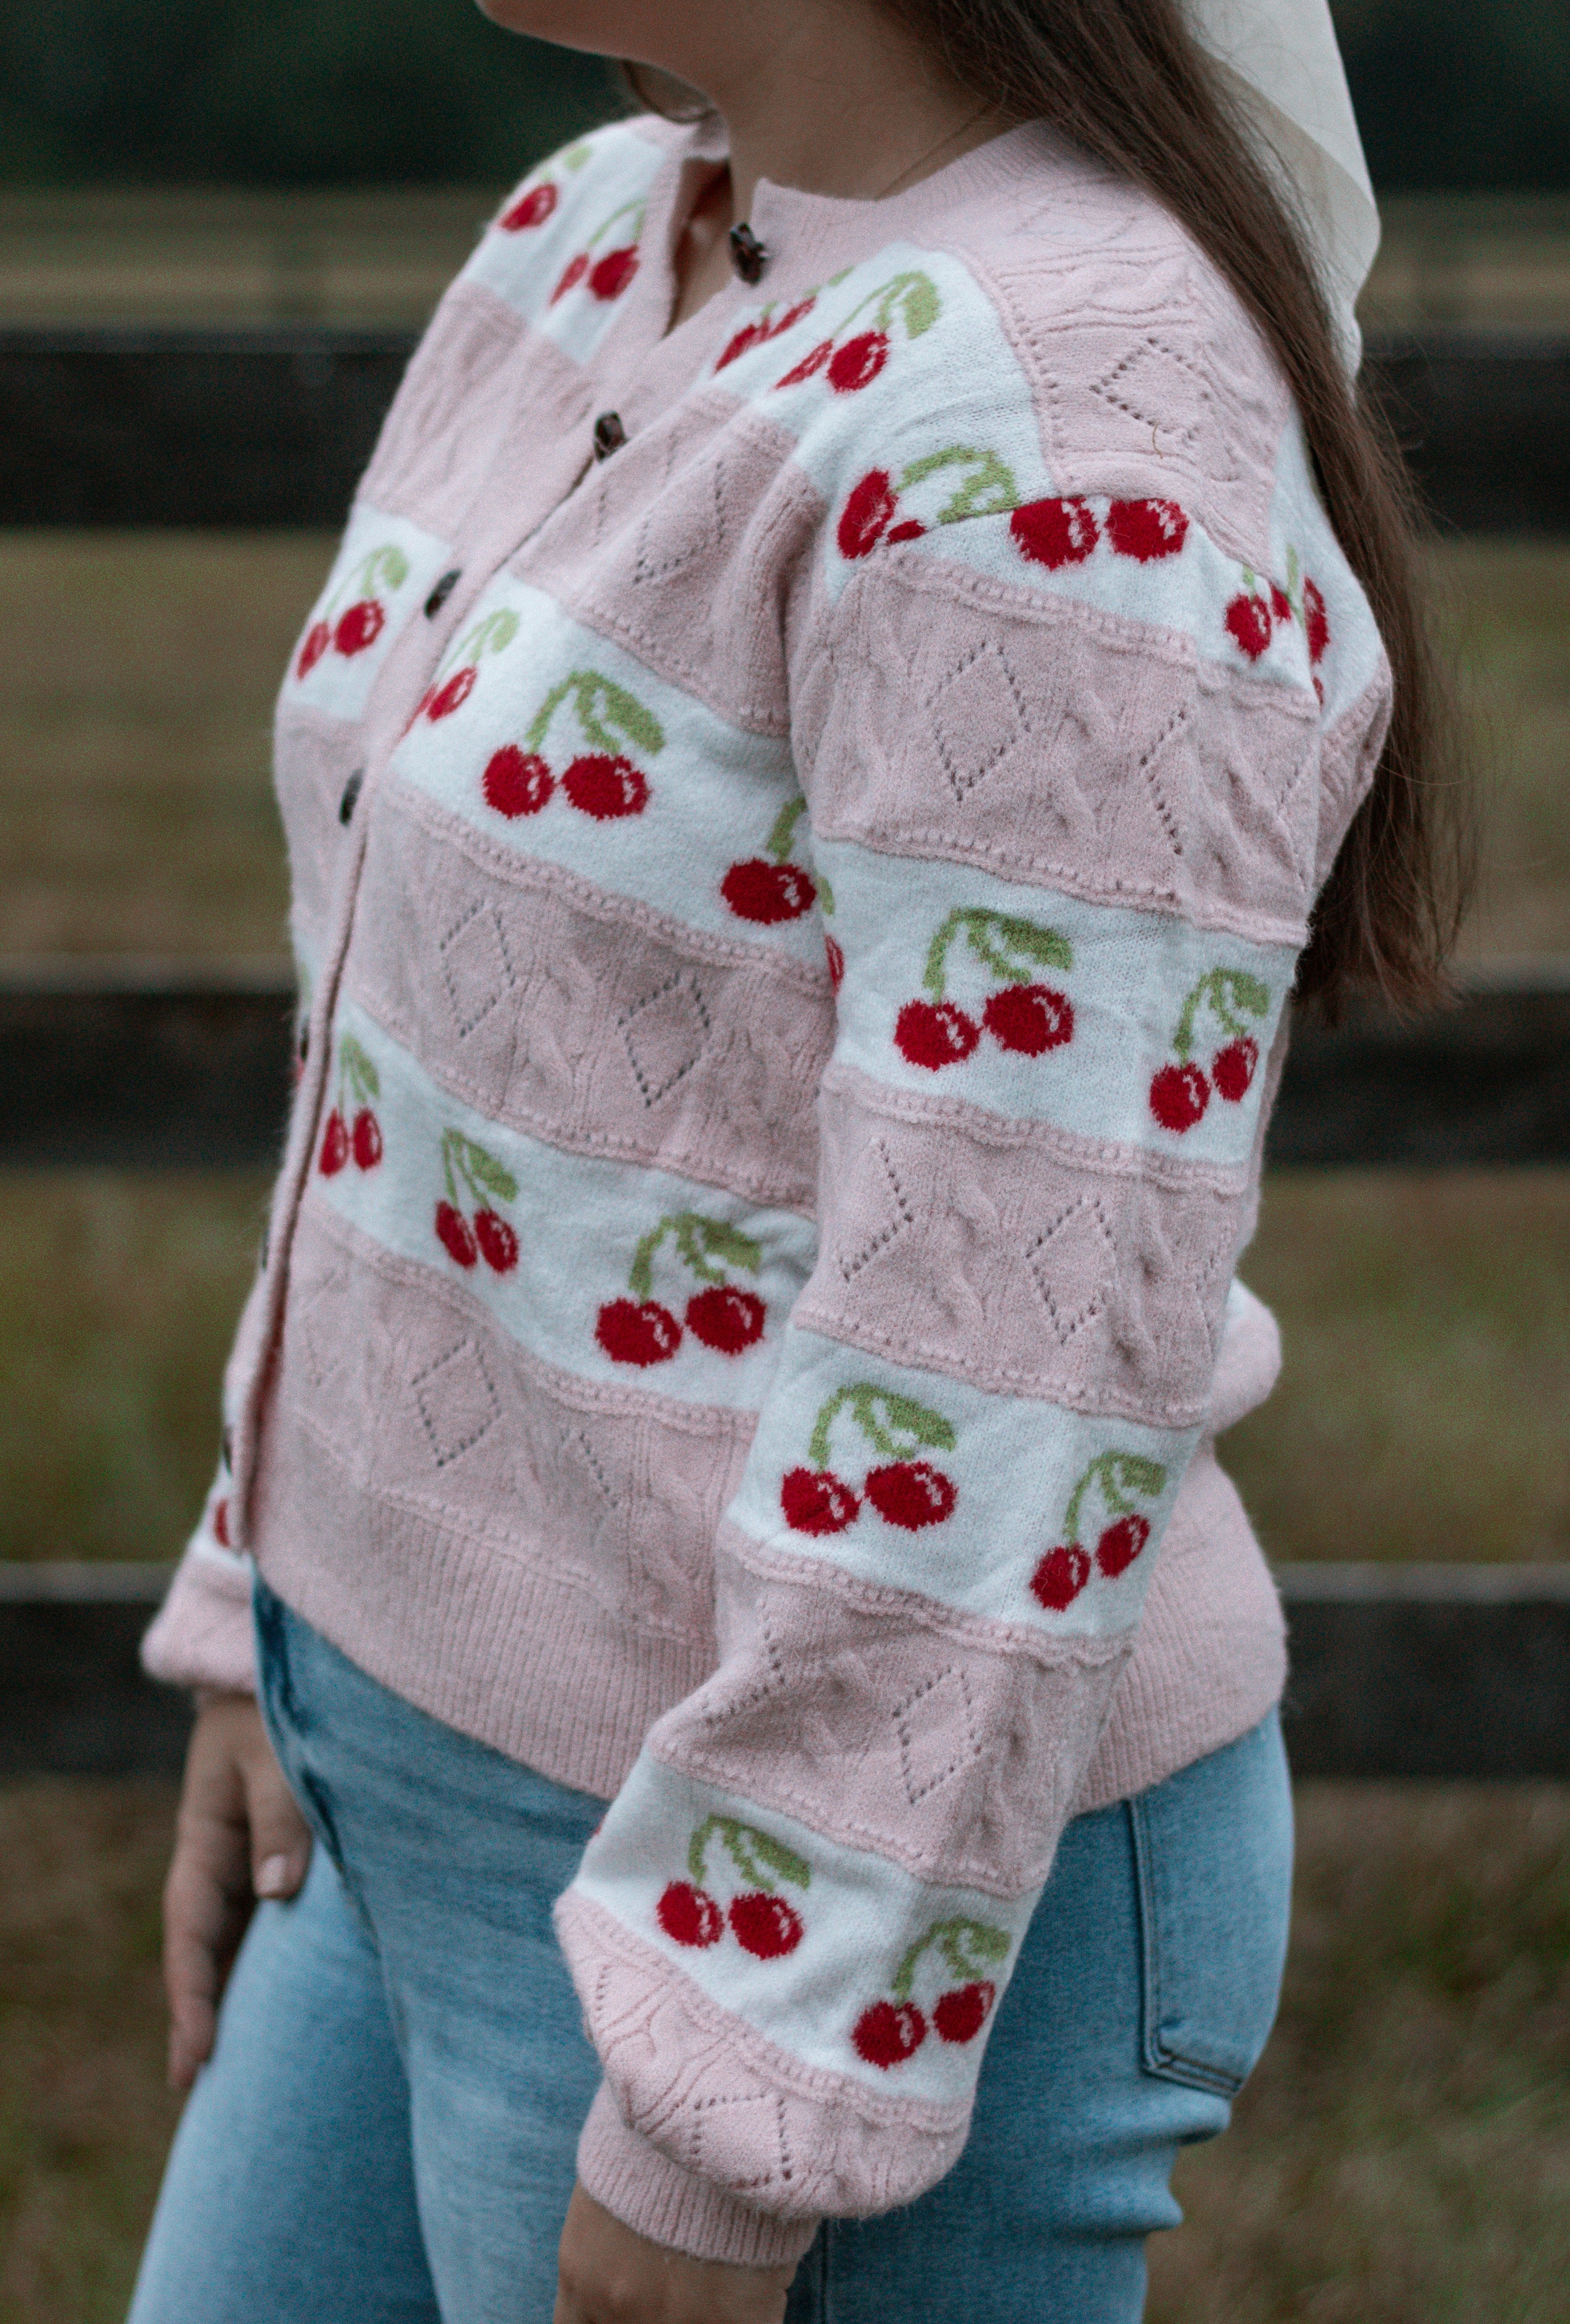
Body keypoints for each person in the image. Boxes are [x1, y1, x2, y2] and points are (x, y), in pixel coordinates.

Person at [128, 1, 1465, 2318]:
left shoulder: (1072, 422)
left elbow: (1011, 1349)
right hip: (384, 1797)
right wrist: (273, 1616)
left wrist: (732, 2111)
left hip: (801, 1908)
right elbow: (404, 1029)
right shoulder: (600, 232)